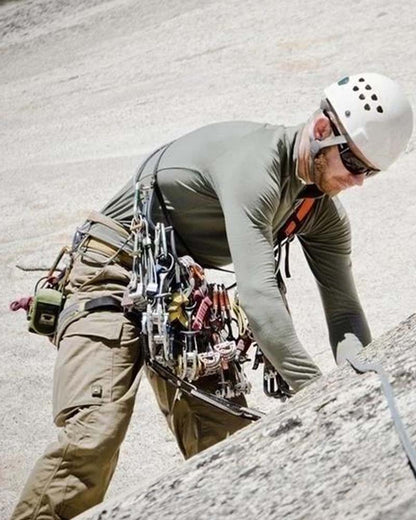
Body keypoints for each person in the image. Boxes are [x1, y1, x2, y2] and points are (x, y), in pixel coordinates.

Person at [11, 72, 413, 519]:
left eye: (370, 172)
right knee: (93, 437)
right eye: (354, 164)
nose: (358, 181)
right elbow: (261, 304)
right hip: (111, 271)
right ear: (322, 132)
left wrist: (363, 389)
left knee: (227, 445)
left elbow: (344, 312)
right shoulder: (256, 167)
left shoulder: (320, 214)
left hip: (177, 293)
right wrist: (319, 399)